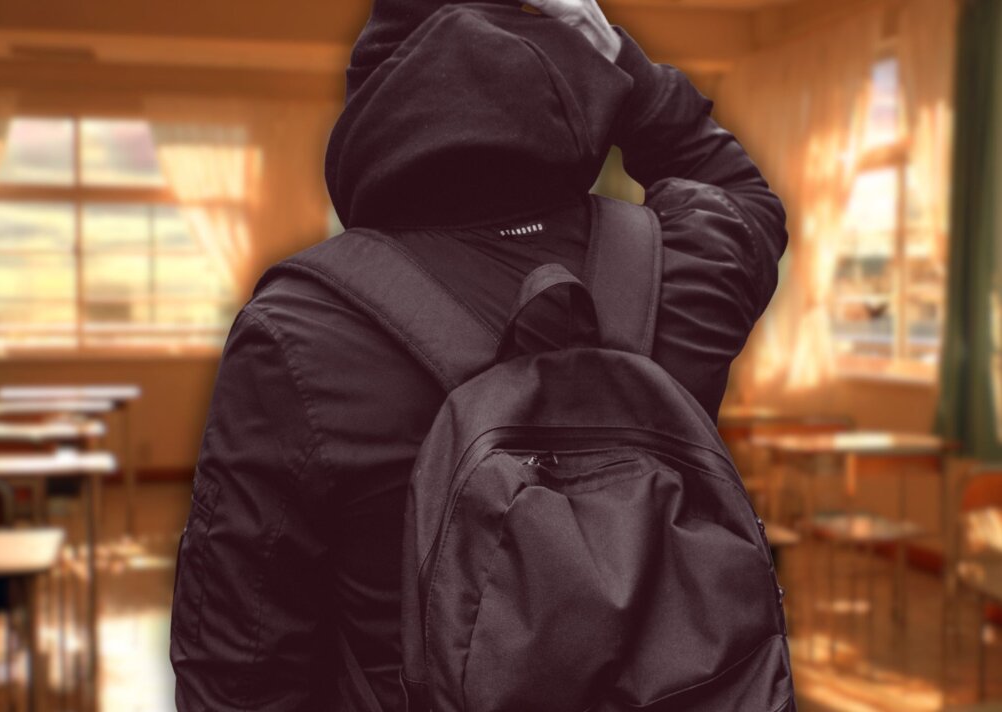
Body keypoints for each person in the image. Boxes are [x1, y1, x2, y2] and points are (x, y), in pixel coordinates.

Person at [169, 0, 789, 709]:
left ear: (371, 118)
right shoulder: (680, 267)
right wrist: (623, 63)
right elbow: (743, 196)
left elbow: (237, 670)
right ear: (568, 91)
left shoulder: (299, 332)